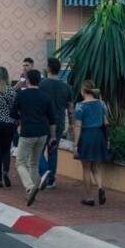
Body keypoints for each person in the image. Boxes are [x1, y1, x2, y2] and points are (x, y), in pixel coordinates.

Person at [11, 69, 57, 206]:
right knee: (34, 163)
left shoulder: (21, 95)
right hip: (43, 133)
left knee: (20, 162)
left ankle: (30, 187)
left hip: (27, 132)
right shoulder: (45, 96)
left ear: (28, 81)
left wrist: (21, 118)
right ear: (39, 81)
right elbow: (52, 119)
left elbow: (12, 113)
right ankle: (30, 194)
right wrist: (53, 136)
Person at [37, 58, 75, 189]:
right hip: (59, 124)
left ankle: (44, 171)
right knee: (53, 151)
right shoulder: (66, 87)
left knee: (37, 150)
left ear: (48, 68)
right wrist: (71, 124)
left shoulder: (41, 84)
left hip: (43, 123)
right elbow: (70, 109)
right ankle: (51, 180)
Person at [72, 79, 110, 206]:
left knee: (86, 168)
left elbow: (78, 126)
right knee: (96, 166)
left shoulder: (80, 106)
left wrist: (76, 144)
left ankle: (89, 197)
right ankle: (100, 187)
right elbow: (106, 122)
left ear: (83, 90)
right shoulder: (101, 104)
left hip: (86, 136)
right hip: (99, 135)